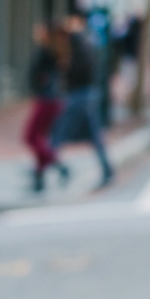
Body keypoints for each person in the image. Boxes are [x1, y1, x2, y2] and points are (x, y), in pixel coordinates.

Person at [53, 13, 114, 188]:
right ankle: (107, 169)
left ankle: (47, 169)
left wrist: (66, 69)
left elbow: (83, 68)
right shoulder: (85, 40)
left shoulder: (78, 43)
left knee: (60, 131)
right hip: (86, 93)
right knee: (93, 135)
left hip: (81, 94)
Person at [24, 23, 68, 192]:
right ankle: (39, 178)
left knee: (29, 137)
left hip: (46, 100)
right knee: (39, 139)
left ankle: (57, 163)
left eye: (40, 29)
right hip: (52, 100)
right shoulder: (55, 51)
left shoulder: (46, 52)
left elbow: (37, 76)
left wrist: (38, 86)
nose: (36, 31)